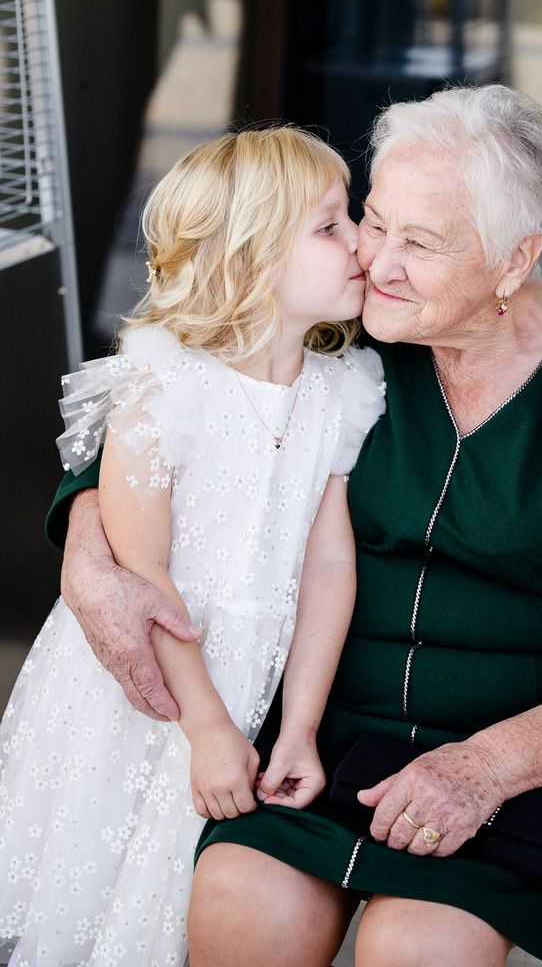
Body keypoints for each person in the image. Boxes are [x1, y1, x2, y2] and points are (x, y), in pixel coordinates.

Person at [40, 85, 542, 967]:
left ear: (517, 258)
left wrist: (483, 769)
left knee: (416, 947)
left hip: (517, 761)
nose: (375, 260)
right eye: (373, 219)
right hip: (322, 740)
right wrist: (88, 548)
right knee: (243, 909)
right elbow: (172, 416)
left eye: (420, 242)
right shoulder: (352, 332)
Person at [0, 127, 385, 967]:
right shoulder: (164, 381)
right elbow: (140, 578)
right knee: (94, 876)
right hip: (152, 686)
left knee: (172, 897)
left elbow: (328, 568)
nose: (361, 239)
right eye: (329, 225)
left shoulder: (342, 392)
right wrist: (206, 726)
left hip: (253, 682)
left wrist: (303, 728)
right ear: (249, 257)